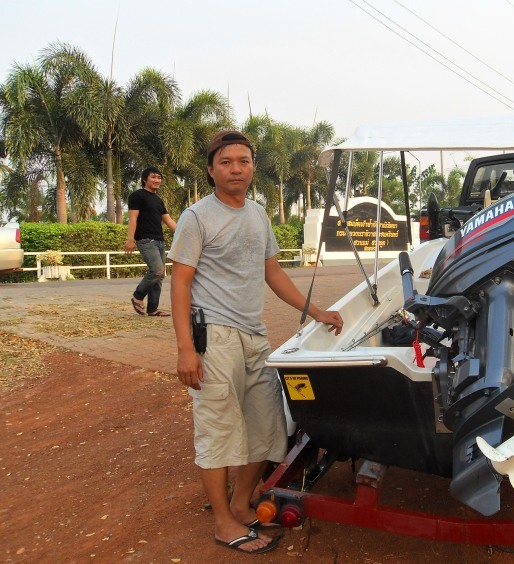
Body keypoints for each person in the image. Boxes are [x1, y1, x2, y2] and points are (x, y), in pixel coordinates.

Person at [168, 130, 343, 555]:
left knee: (268, 428)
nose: (236, 169)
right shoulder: (196, 217)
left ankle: (242, 504)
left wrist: (316, 310)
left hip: (254, 336)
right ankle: (223, 522)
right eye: (226, 162)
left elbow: (274, 273)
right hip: (215, 339)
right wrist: (186, 349)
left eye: (243, 161)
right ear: (211, 171)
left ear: (252, 168)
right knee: (217, 430)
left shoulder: (258, 216)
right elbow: (180, 283)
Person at [125, 167, 177, 317]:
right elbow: (133, 218)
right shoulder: (137, 196)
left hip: (160, 241)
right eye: (153, 177)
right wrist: (130, 239)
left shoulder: (158, 200)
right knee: (157, 270)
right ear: (144, 179)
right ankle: (138, 296)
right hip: (145, 240)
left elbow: (168, 220)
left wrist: (184, 233)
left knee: (159, 276)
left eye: (159, 178)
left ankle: (153, 309)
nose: (157, 180)